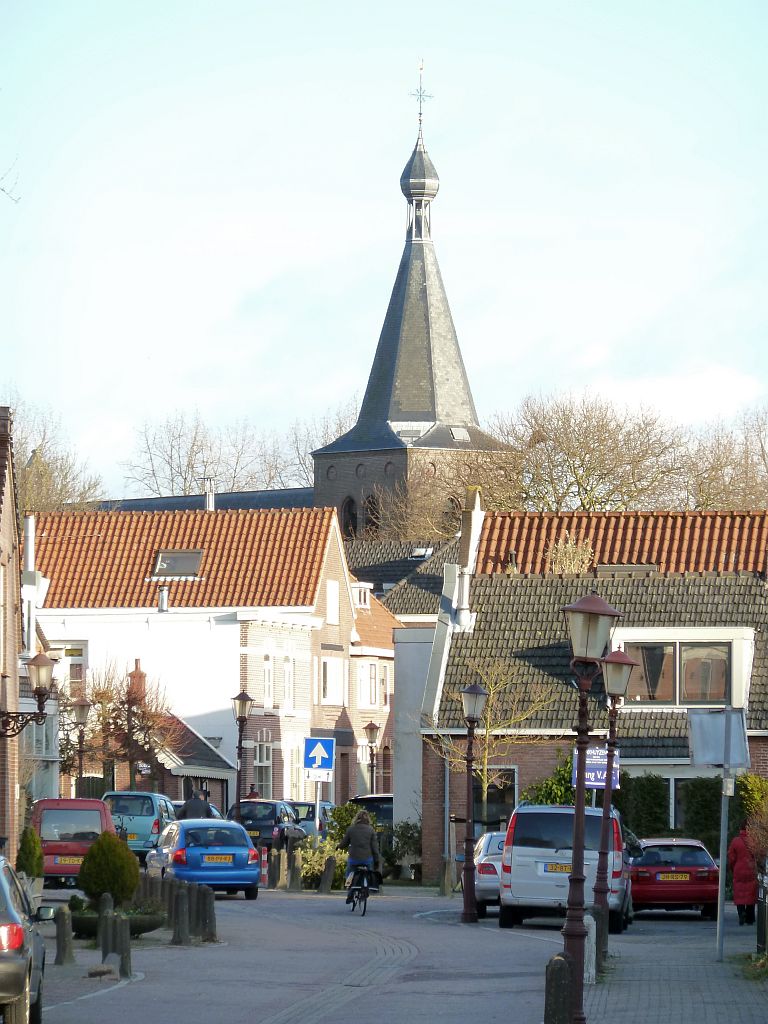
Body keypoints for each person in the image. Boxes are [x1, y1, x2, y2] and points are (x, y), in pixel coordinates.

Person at [340, 810, 380, 903]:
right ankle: (367, 888)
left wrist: (339, 846)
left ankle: (350, 890)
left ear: (357, 818)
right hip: (367, 859)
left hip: (354, 859)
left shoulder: (351, 829)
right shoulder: (371, 830)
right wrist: (377, 860)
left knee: (349, 873)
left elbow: (344, 843)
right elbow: (374, 847)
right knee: (369, 873)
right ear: (368, 819)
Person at [727, 820, 758, 925]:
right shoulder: (755, 840)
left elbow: (731, 857)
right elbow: (759, 855)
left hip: (738, 869)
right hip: (751, 869)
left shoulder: (735, 841)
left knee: (739, 893)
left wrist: (733, 868)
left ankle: (741, 913)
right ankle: (750, 917)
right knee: (751, 893)